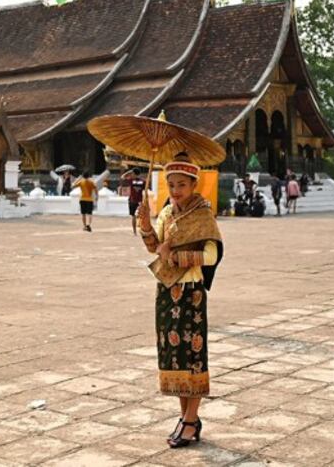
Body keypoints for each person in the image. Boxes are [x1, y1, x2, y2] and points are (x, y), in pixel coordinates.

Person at [136, 152, 223, 448]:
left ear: (194, 184)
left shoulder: (202, 214)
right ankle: (186, 416)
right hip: (166, 291)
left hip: (191, 293)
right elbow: (153, 249)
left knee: (193, 356)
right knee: (173, 356)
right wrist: (146, 224)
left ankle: (191, 419)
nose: (175, 190)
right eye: (171, 184)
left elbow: (211, 255)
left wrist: (174, 255)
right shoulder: (167, 213)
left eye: (182, 184)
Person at [122, 168, 146, 235]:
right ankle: (143, 230)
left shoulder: (131, 181)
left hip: (132, 200)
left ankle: (135, 232)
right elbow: (145, 190)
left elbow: (123, 177)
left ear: (134, 174)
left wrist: (129, 171)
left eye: (132, 173)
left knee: (133, 216)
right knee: (142, 216)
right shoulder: (143, 181)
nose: (131, 174)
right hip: (140, 200)